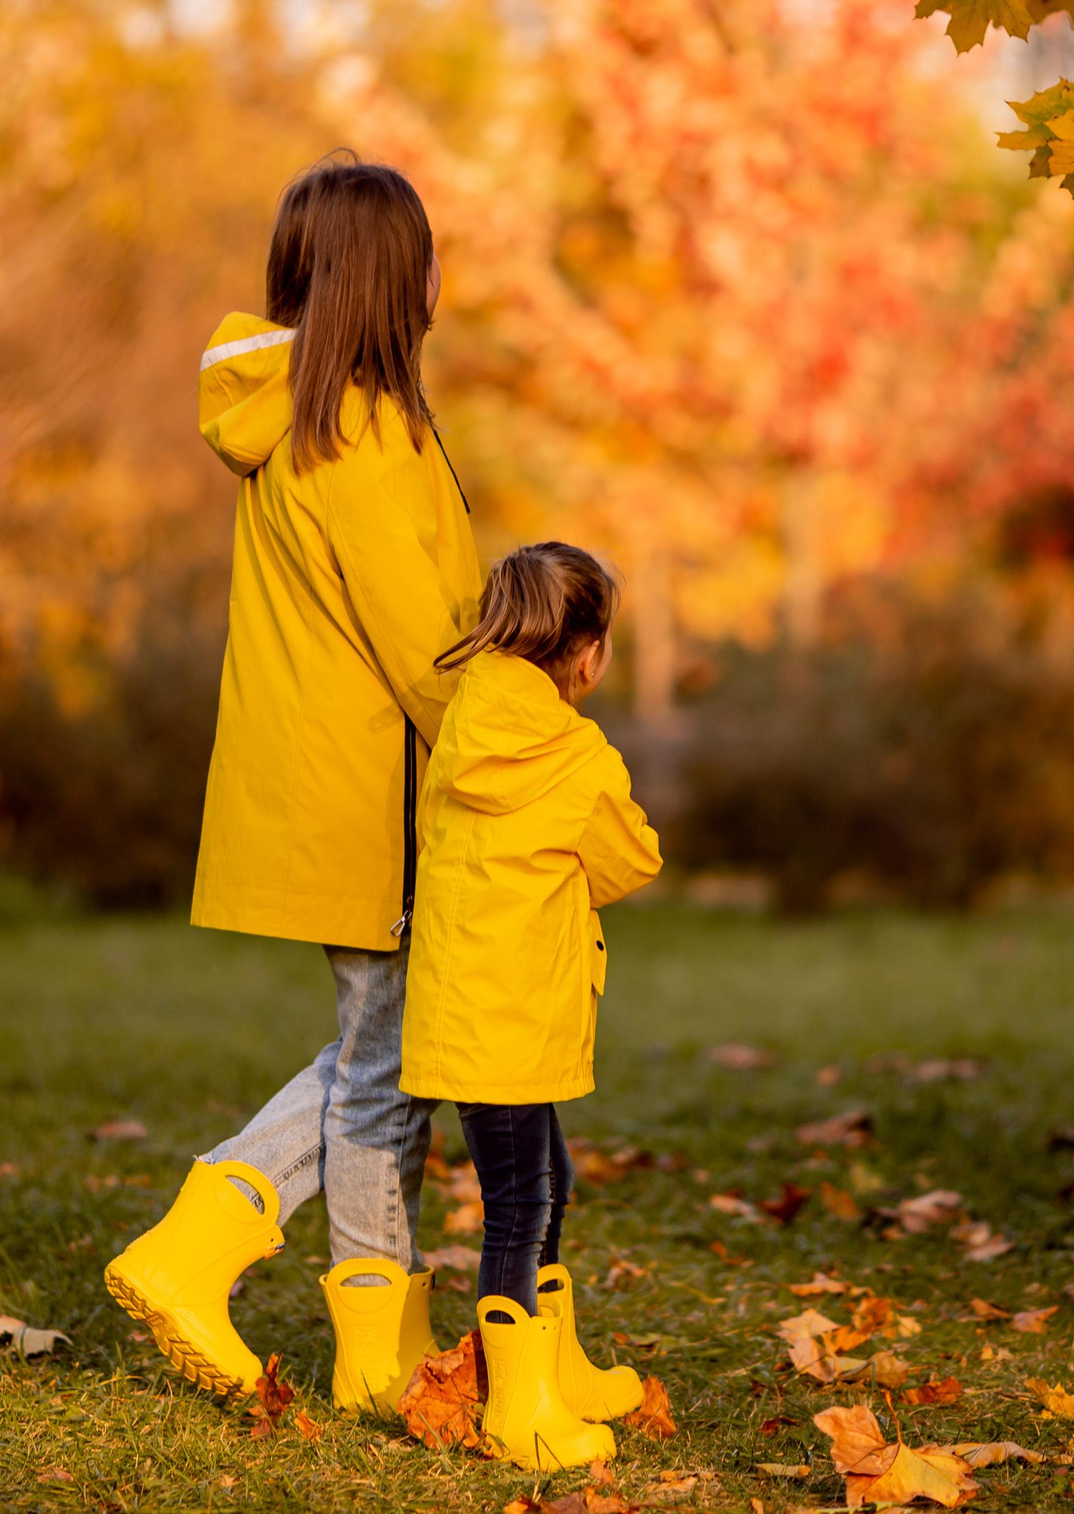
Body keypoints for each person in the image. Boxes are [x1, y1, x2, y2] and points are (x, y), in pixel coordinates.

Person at [104, 156, 479, 1418]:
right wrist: (512, 771)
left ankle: (375, 1357)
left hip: (321, 785)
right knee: (385, 1063)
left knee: (386, 1057)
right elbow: (427, 652)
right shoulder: (364, 442)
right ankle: (200, 1234)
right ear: (393, 279)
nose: (442, 272)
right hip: (373, 796)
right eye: (427, 250)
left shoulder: (305, 425)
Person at [399, 543, 664, 1469]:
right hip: (517, 1014)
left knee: (546, 1180)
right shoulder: (575, 753)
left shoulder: (463, 721)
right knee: (519, 1203)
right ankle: (518, 1406)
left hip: (465, 1009)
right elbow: (630, 861)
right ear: (585, 654)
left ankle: (556, 1365)